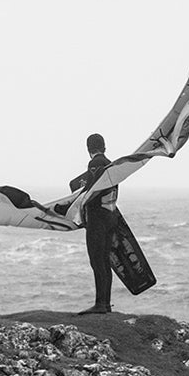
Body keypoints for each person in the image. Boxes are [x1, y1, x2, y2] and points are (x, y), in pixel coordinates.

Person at [73, 132, 118, 315]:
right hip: (110, 216)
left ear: (88, 149)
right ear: (104, 146)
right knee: (104, 262)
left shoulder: (95, 164)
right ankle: (105, 303)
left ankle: (101, 304)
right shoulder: (111, 164)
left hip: (98, 219)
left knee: (97, 261)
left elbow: (91, 192)